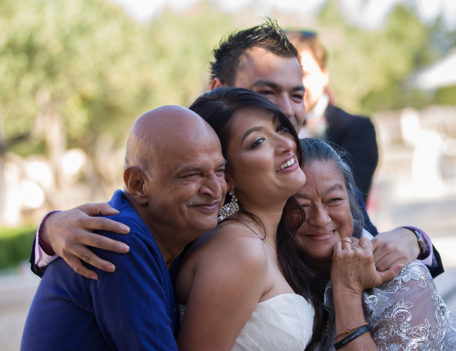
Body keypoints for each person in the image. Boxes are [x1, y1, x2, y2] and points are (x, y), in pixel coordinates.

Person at [29, 19, 443, 282]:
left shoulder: (308, 167)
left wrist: (415, 239)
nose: (284, 110)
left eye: (296, 95)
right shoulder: (189, 173)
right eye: (265, 92)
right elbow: (132, 228)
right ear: (219, 93)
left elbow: (357, 229)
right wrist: (50, 232)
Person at [21, 106, 227, 350]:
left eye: (221, 171)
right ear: (137, 184)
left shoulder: (174, 232)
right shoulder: (117, 239)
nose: (215, 189)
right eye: (192, 174)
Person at [176, 87, 318, 350]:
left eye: (280, 128)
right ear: (227, 175)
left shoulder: (269, 238)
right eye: (258, 142)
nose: (287, 144)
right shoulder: (239, 250)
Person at [293, 138, 456, 350]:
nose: (321, 219)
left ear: (352, 204)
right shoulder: (276, 270)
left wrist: (347, 294)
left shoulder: (402, 281)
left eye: (334, 200)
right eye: (302, 205)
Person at [287, 30, 378, 202]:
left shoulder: (356, 129)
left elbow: (352, 198)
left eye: (304, 74)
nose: (296, 85)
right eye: (289, 76)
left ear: (324, 75)